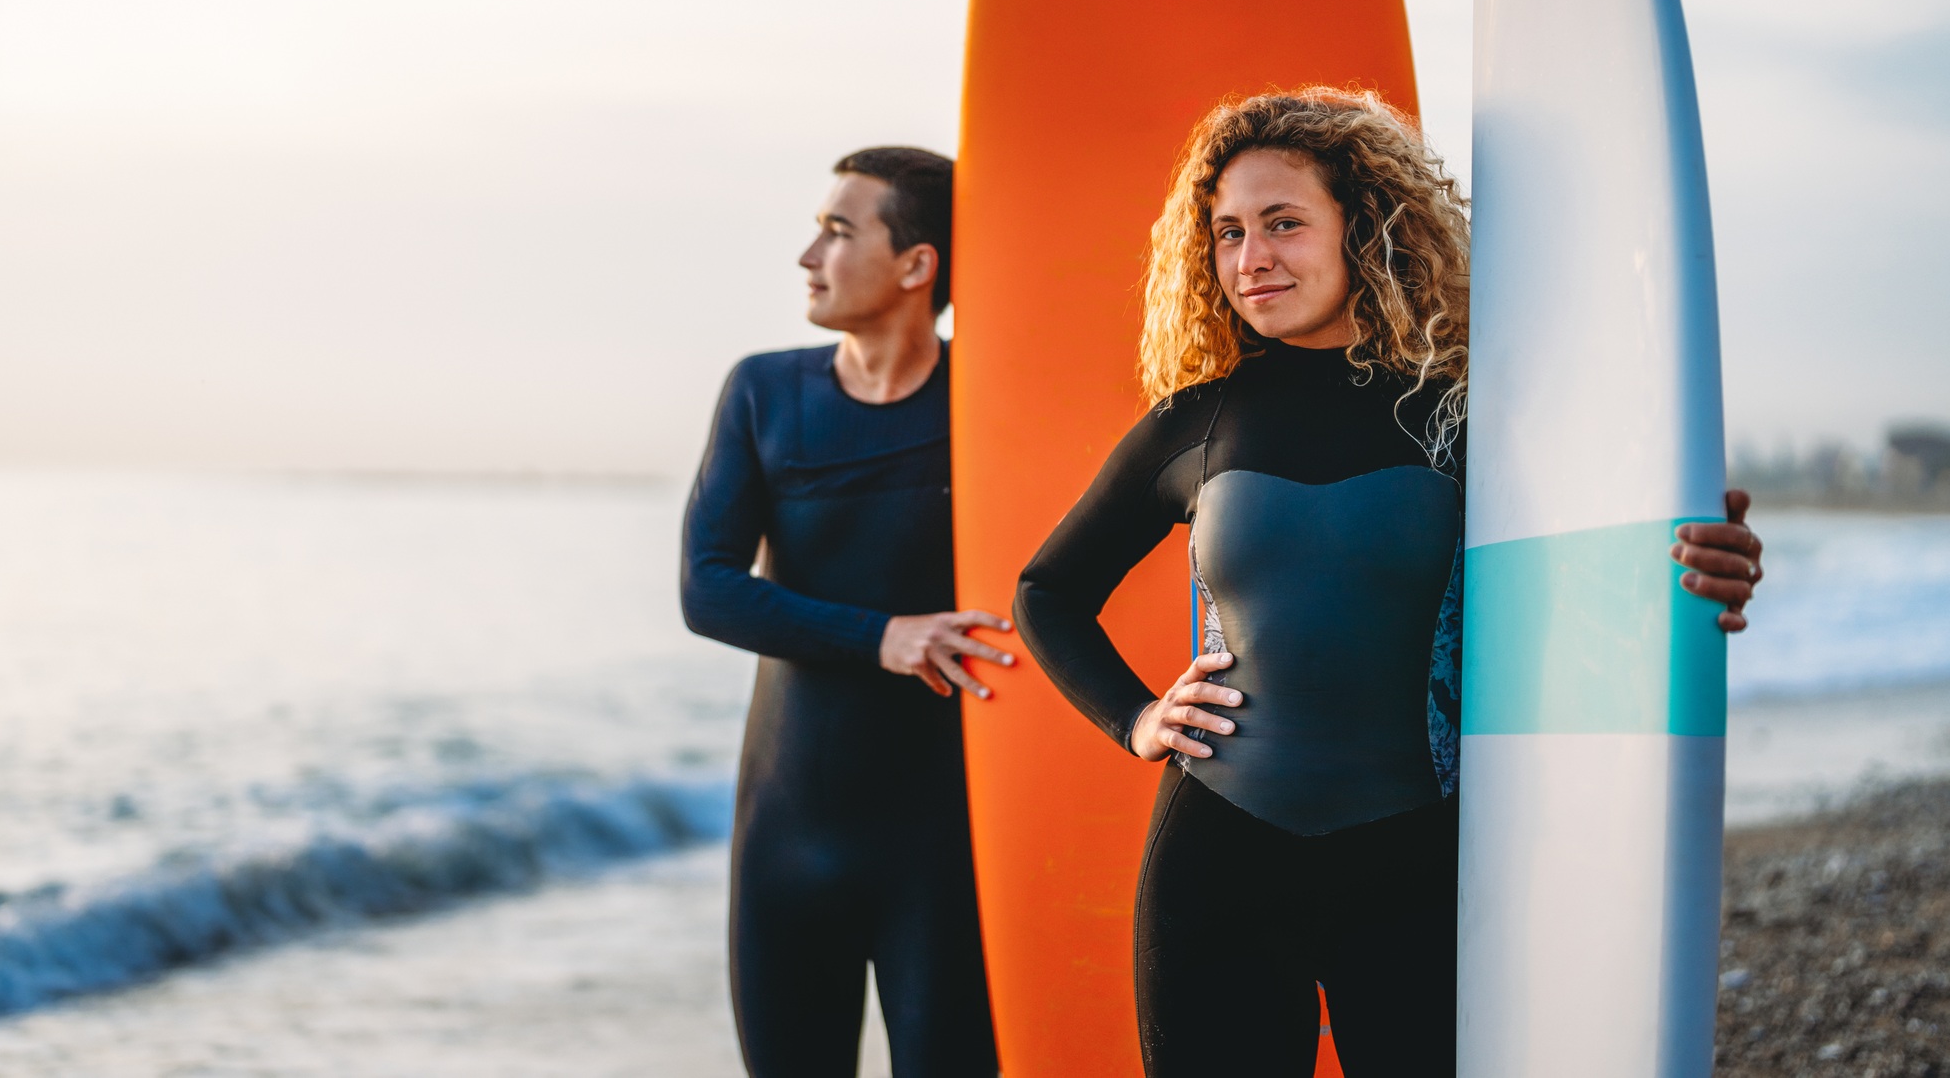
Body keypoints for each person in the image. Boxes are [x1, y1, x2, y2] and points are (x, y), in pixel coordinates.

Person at [1011, 90, 1764, 1078]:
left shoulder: (1474, 412)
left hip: (1416, 861)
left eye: (1283, 223)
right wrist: (1137, 717)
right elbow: (1045, 588)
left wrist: (1699, 560)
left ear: (1363, 227)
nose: (1251, 259)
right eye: (1228, 232)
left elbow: (1596, 568)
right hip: (1217, 857)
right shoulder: (1197, 420)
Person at [681, 147, 1010, 1078]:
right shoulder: (764, 393)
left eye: (837, 230)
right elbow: (706, 586)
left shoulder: (985, 405)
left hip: (941, 852)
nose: (807, 256)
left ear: (917, 264)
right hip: (788, 841)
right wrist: (883, 636)